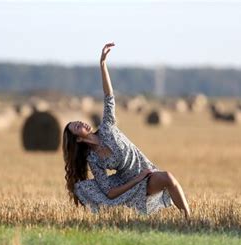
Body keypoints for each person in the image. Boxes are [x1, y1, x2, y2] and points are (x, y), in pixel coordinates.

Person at [62, 42, 192, 219]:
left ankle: (189, 218)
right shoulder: (93, 158)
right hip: (133, 182)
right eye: (77, 127)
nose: (82, 123)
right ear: (78, 139)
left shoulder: (107, 126)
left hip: (146, 169)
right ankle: (188, 219)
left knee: (169, 179)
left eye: (79, 122)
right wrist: (138, 179)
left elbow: (109, 96)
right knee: (168, 177)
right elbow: (109, 192)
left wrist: (102, 65)